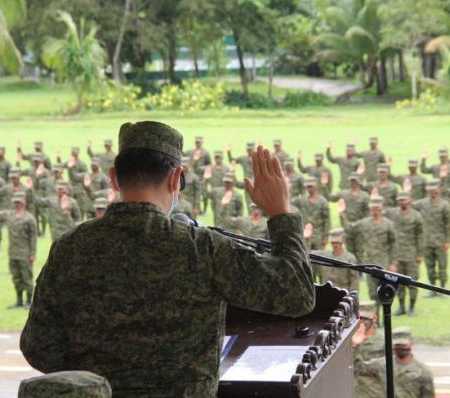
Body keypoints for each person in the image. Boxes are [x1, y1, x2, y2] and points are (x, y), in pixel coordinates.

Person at [21, 121, 315, 397]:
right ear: (176, 178)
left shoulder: (70, 248)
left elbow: (38, 347)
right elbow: (296, 294)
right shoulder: (201, 249)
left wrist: (100, 377)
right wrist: (280, 214)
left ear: (113, 178)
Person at [0, 190, 37, 309]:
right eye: (15, 202)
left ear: (24, 202)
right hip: (13, 253)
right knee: (16, 278)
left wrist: (33, 253)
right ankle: (19, 300)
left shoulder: (29, 218)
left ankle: (30, 301)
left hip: (25, 253)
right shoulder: (9, 215)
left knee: (27, 278)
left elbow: (33, 237)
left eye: (19, 202)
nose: (17, 204)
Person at [353, 324, 435, 398]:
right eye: (397, 345)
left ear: (411, 343)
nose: (400, 347)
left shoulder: (422, 371)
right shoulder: (382, 365)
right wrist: (355, 345)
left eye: (403, 345)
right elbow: (358, 368)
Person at [388, 192, 424, 316]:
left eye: (404, 200)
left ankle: (412, 307)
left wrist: (420, 254)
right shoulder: (393, 214)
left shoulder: (416, 216)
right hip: (397, 255)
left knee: (412, 282)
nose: (401, 202)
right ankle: (402, 307)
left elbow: (420, 236)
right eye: (400, 200)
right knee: (398, 283)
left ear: (409, 201)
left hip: (411, 254)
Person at [413, 180, 450, 295]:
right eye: (430, 191)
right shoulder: (422, 203)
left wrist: (448, 240)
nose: (432, 193)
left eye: (434, 191)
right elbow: (409, 205)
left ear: (438, 190)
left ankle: (443, 288)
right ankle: (433, 288)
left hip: (440, 241)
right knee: (430, 266)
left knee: (442, 266)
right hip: (426, 241)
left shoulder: (444, 204)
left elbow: (448, 224)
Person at [317, 228, 360, 292]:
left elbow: (354, 280)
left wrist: (351, 297)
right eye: (333, 242)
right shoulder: (325, 256)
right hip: (327, 293)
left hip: (343, 293)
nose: (335, 245)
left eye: (337, 242)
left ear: (343, 242)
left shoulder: (350, 258)